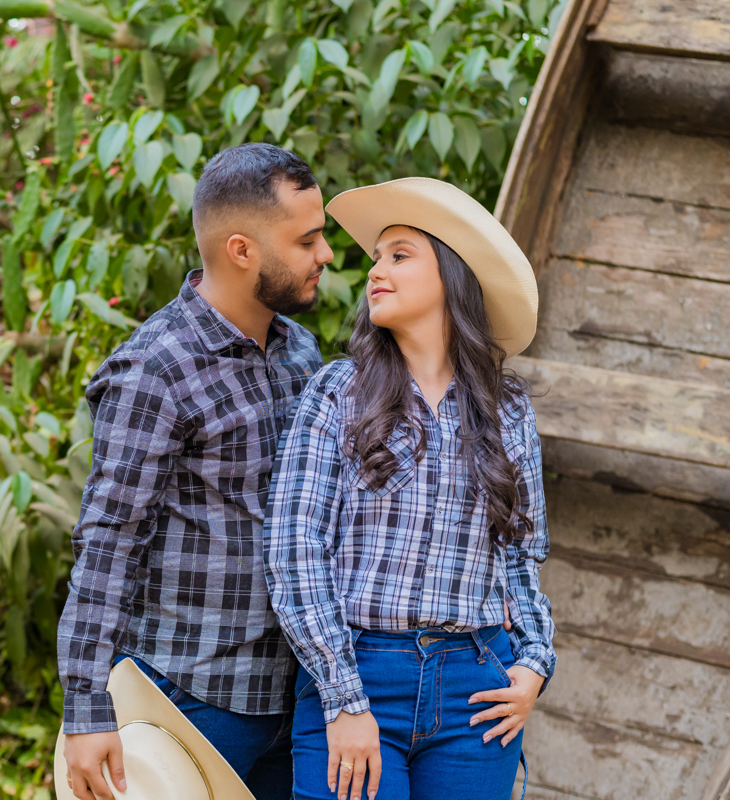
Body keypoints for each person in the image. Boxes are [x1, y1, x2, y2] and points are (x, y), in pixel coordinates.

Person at [263, 178, 556, 800]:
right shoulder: (338, 391)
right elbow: (294, 550)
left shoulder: (507, 410)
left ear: (453, 274)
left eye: (399, 255)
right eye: (375, 258)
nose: (376, 272)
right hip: (357, 673)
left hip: (478, 686)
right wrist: (342, 700)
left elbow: (522, 552)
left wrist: (534, 662)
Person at [56, 142, 333, 800]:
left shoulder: (302, 353)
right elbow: (108, 539)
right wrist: (87, 709)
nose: (325, 254)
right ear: (242, 250)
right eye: (307, 240)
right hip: (194, 701)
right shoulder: (156, 368)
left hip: (293, 700)